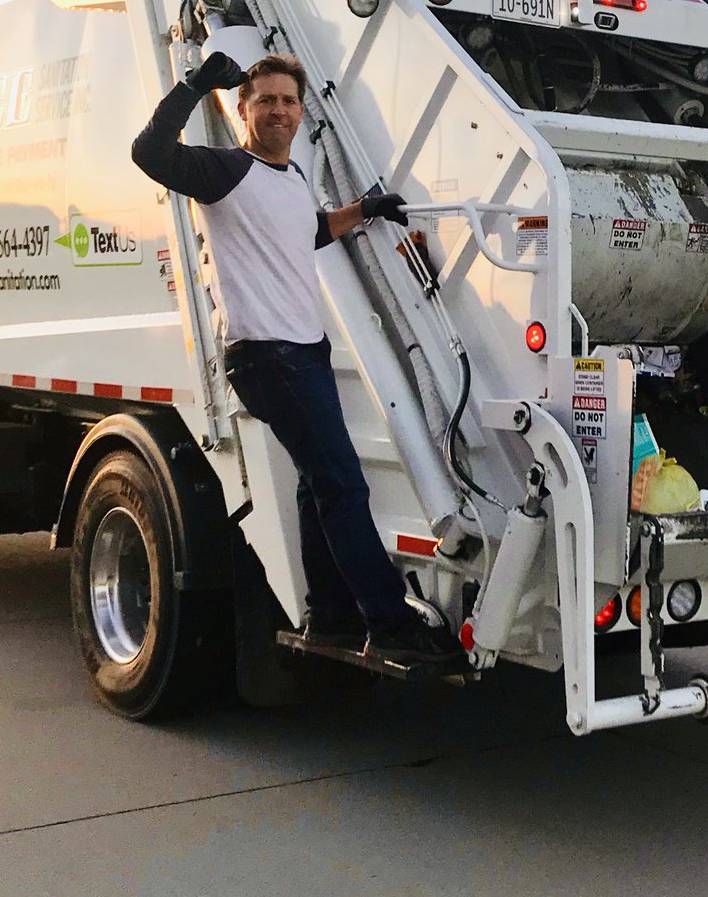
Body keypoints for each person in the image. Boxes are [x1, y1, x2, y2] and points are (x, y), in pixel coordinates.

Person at [131, 50, 462, 666]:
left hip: (304, 353)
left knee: (318, 483)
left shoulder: (290, 176)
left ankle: (329, 617)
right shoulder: (223, 170)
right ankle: (389, 624)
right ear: (243, 110)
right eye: (265, 101)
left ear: (301, 112)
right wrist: (194, 84)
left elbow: (306, 231)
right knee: (343, 485)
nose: (278, 110)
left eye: (288, 101)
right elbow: (149, 152)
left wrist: (362, 211)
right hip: (267, 357)